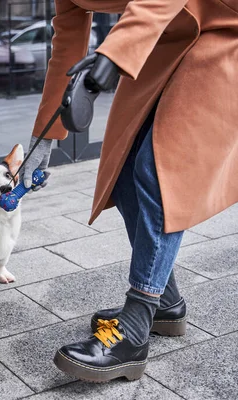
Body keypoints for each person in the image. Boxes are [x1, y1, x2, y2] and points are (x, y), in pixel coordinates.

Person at [20, 0, 238, 382]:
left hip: (225, 34)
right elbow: (68, 41)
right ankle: (166, 303)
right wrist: (44, 135)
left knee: (159, 170)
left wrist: (113, 55)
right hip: (161, 42)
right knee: (122, 174)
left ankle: (135, 329)